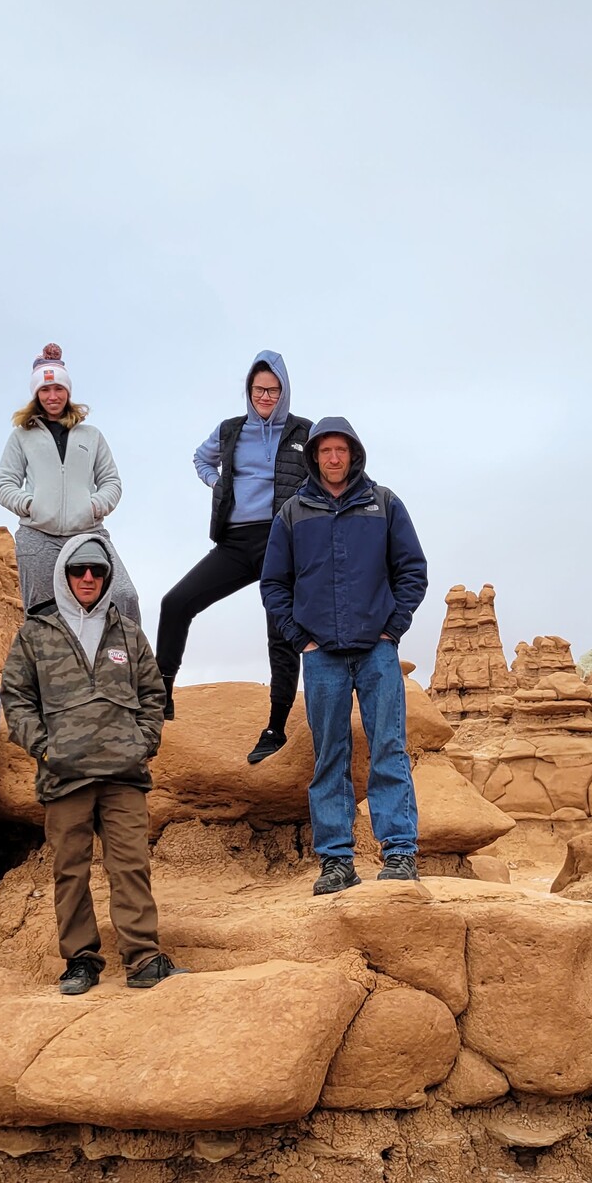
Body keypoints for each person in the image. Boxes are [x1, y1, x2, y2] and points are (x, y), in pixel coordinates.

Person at [1, 533, 183, 993]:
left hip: (124, 774)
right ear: (63, 574)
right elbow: (17, 699)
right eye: (79, 569)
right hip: (64, 775)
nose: (88, 577)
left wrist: (142, 743)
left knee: (131, 866)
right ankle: (81, 961)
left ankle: (143, 958)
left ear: (107, 577)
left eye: (97, 571)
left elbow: (151, 694)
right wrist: (44, 748)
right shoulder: (36, 633)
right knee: (70, 870)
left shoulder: (127, 632)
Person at [260, 417, 428, 895]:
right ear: (314, 456)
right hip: (322, 656)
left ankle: (399, 853)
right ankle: (337, 862)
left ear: (354, 454)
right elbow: (274, 584)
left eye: (341, 450)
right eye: (325, 451)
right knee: (329, 757)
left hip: (376, 652)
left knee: (388, 750)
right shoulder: (294, 513)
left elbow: (412, 570)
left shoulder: (384, 504)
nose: (334, 459)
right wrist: (300, 638)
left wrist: (392, 630)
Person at [156, 350, 311, 755]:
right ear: (248, 389)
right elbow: (200, 458)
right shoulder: (230, 431)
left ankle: (275, 729)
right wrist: (217, 483)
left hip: (281, 542)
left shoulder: (303, 433)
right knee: (175, 603)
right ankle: (161, 696)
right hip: (235, 541)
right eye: (259, 389)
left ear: (285, 390)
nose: (266, 396)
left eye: (274, 390)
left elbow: (327, 477)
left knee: (280, 633)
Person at [0, 343, 141, 622]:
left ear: (68, 392)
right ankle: (50, 666)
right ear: (36, 394)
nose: (52, 396)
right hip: (38, 535)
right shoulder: (21, 437)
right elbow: (5, 484)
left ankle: (129, 664)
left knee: (123, 596)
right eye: (45, 390)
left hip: (88, 531)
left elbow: (111, 481)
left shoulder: (91, 435)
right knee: (43, 614)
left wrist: (94, 506)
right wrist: (30, 505)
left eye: (59, 389)